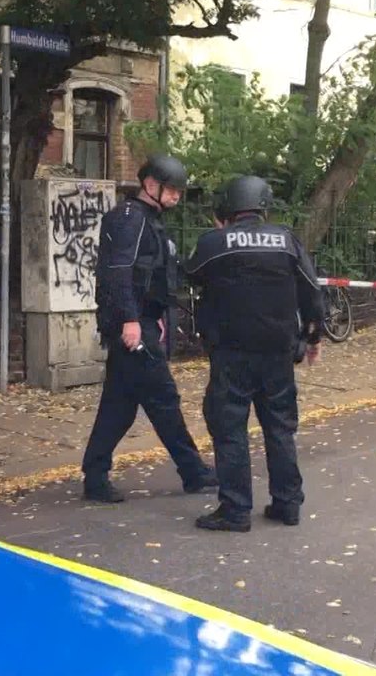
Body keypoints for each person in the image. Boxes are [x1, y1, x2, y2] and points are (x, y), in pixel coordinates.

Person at [183, 175, 326, 532]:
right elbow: (311, 289)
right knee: (279, 428)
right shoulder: (286, 241)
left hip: (231, 354)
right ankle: (288, 504)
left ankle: (235, 509)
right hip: (278, 353)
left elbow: (189, 276)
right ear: (262, 205)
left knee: (230, 429)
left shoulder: (214, 243)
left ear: (226, 208)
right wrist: (314, 336)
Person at [81, 154, 217, 503]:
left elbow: (152, 274)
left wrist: (152, 315)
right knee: (164, 399)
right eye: (172, 190)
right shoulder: (130, 218)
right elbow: (118, 271)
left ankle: (94, 475)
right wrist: (130, 320)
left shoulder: (148, 220)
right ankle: (193, 472)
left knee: (119, 406)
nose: (177, 197)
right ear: (151, 185)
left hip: (141, 321)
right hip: (133, 326)